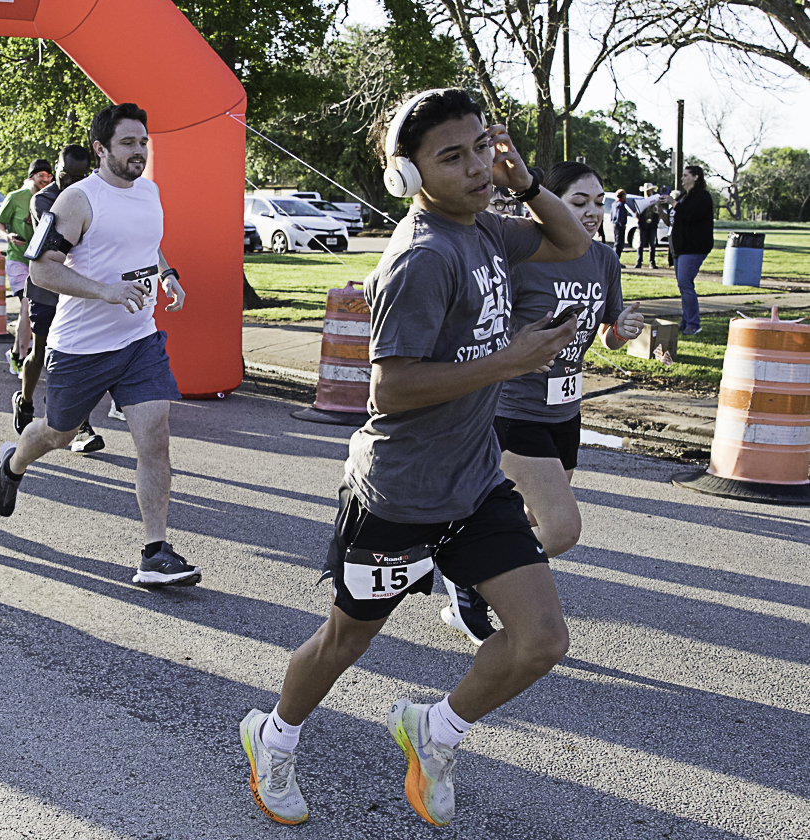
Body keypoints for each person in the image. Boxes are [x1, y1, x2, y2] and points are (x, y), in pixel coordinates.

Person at [237, 88, 591, 829]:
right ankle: (274, 736)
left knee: (541, 640)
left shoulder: (485, 229)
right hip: (398, 495)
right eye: (451, 157)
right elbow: (390, 389)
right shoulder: (422, 258)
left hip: (472, 485)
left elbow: (571, 244)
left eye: (479, 148)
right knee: (348, 638)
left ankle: (434, 731)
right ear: (409, 173)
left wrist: (526, 182)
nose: (475, 168)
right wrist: (508, 360)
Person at [0, 103, 196, 589]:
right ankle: (13, 461)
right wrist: (105, 290)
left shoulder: (149, 192)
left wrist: (167, 275)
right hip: (81, 347)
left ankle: (155, 551)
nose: (139, 151)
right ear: (101, 149)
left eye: (143, 142)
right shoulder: (77, 200)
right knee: (58, 434)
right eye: (128, 143)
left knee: (155, 439)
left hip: (139, 337)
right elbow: (41, 269)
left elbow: (146, 244)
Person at [440, 162, 645, 646]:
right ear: (548, 202)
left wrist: (623, 330)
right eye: (578, 202)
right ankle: (470, 576)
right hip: (513, 408)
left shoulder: (603, 259)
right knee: (562, 528)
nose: (592, 212)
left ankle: (469, 564)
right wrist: (509, 356)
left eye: (599, 202)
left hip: (565, 413)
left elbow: (610, 334)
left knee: (529, 518)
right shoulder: (521, 254)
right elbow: (476, 321)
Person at [16, 144, 105, 453]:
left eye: (80, 176)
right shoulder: (43, 198)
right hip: (47, 287)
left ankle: (81, 427)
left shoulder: (93, 192)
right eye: (66, 176)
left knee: (76, 355)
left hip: (77, 287)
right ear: (55, 170)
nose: (72, 183)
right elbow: (66, 240)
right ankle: (25, 399)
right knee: (40, 354)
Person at [0, 159, 53, 376]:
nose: (45, 179)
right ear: (32, 177)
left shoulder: (52, 198)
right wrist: (7, 236)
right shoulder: (16, 197)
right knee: (28, 305)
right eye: (41, 175)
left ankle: (16, 352)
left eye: (48, 175)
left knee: (26, 310)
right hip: (18, 258)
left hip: (41, 261)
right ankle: (22, 356)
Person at [670, 165, 713, 336]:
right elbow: (674, 220)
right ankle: (686, 321)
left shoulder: (702, 196)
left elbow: (691, 215)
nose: (682, 179)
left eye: (685, 175)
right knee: (683, 286)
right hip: (680, 248)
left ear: (696, 177)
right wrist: (660, 210)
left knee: (686, 284)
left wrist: (674, 204)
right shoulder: (684, 196)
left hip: (693, 248)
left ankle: (694, 324)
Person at [634, 182, 665, 269]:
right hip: (643, 225)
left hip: (652, 225)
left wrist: (656, 218)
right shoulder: (641, 201)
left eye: (650, 190)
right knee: (641, 244)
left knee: (652, 244)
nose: (648, 192)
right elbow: (637, 213)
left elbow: (659, 212)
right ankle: (639, 262)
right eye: (647, 191)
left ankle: (652, 262)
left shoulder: (655, 201)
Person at [610, 188, 632, 256]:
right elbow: (619, 215)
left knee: (617, 242)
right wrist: (622, 224)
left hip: (615, 225)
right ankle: (616, 259)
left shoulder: (614, 203)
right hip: (619, 226)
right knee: (619, 243)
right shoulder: (620, 204)